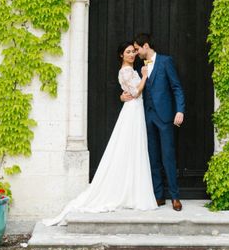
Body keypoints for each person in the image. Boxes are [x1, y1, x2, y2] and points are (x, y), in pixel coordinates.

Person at [39, 42, 157, 227]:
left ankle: (132, 190)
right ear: (121, 55)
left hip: (136, 109)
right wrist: (144, 76)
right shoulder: (126, 71)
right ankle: (128, 192)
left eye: (133, 51)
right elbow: (134, 91)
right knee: (129, 146)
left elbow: (129, 92)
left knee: (134, 148)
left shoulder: (129, 70)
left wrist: (127, 90)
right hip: (132, 110)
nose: (132, 54)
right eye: (128, 52)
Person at [122, 33, 185, 211]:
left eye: (137, 49)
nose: (135, 53)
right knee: (153, 157)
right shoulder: (140, 67)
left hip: (165, 117)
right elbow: (132, 89)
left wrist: (180, 110)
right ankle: (158, 196)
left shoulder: (165, 62)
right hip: (146, 117)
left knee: (168, 157)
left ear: (146, 46)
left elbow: (176, 87)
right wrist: (122, 96)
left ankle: (175, 196)